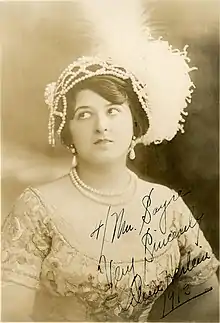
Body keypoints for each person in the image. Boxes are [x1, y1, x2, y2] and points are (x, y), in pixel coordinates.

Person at [2, 1, 219, 321]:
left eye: (113, 111)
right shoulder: (37, 208)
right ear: (69, 132)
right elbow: (9, 314)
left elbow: (208, 305)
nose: (101, 126)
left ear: (135, 125)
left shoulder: (166, 205)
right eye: (84, 114)